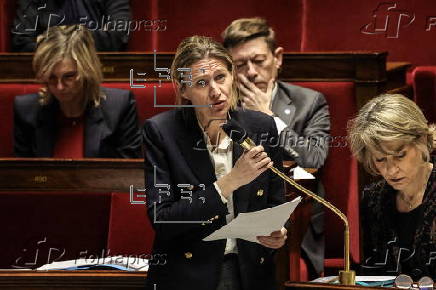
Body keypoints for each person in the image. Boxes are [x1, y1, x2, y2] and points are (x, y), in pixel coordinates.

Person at [143, 35, 287, 290]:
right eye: (201, 82)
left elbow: (275, 203)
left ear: (232, 76)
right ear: (183, 89)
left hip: (252, 271)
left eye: (220, 77)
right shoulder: (161, 133)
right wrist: (230, 182)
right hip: (190, 274)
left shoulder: (262, 126)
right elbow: (163, 219)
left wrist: (277, 233)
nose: (216, 91)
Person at [222, 17, 330, 277]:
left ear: (277, 57)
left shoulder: (309, 102)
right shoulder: (220, 108)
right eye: (239, 65)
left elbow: (314, 158)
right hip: (230, 215)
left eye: (258, 61)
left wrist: (270, 119)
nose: (250, 72)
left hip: (292, 221)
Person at [14, 25, 141, 158]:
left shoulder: (119, 107)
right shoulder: (26, 111)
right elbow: (26, 176)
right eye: (51, 77)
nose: (59, 87)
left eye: (69, 76)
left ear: (87, 70)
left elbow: (127, 174)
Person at [348, 94, 435, 279]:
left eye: (399, 155)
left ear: (421, 140)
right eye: (380, 159)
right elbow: (373, 273)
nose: (391, 170)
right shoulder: (373, 199)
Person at [11, 0, 131, 52]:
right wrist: (91, 37)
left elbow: (118, 34)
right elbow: (21, 41)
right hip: (49, 70)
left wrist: (48, 41)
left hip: (100, 68)